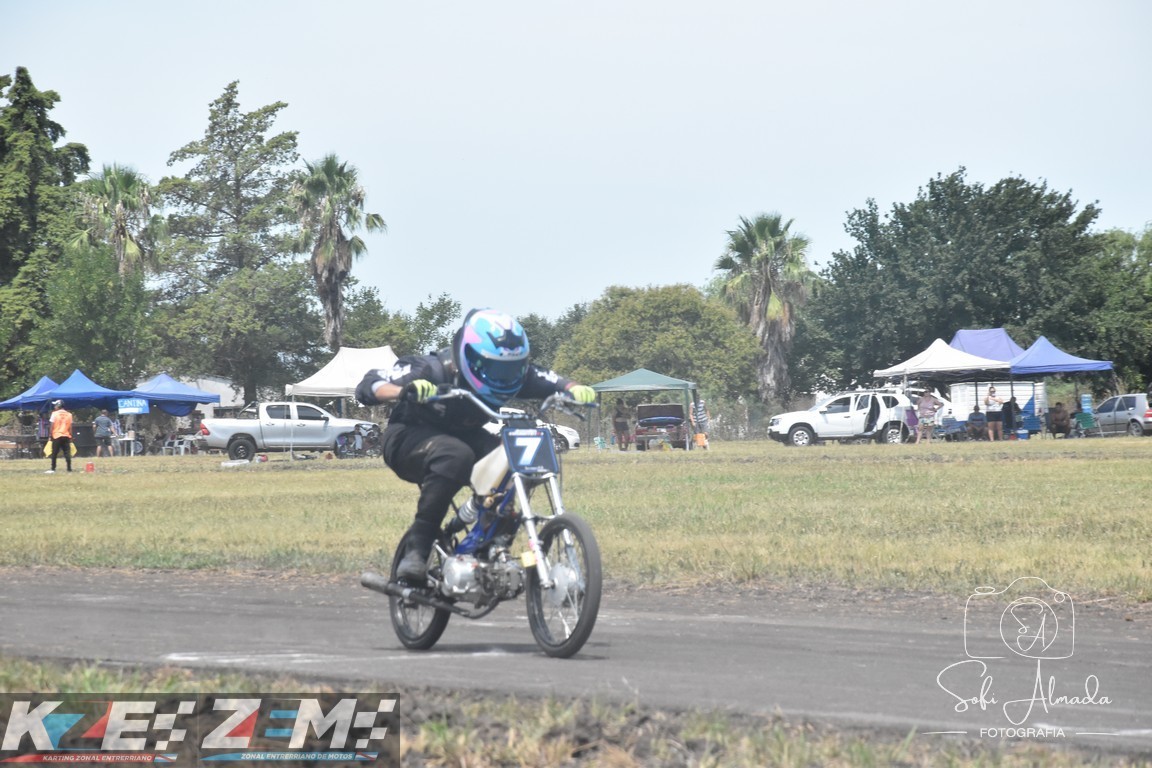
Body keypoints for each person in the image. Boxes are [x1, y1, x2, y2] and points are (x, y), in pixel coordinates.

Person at [355, 308, 597, 581]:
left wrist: (574, 389)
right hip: (408, 436)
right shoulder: (431, 368)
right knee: (455, 455)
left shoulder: (514, 374)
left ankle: (489, 539)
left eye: (511, 368)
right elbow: (369, 385)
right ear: (470, 356)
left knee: (514, 457)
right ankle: (417, 551)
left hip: (464, 436)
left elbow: (552, 380)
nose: (503, 376)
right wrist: (403, 391)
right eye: (496, 368)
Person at [46, 400, 74, 473]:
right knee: (67, 453)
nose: (54, 406)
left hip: (56, 435)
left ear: (59, 405)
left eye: (55, 405)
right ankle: (69, 468)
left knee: (54, 453)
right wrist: (71, 436)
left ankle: (53, 468)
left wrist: (50, 435)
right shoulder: (69, 414)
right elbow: (70, 427)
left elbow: (52, 425)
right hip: (66, 435)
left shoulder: (54, 414)